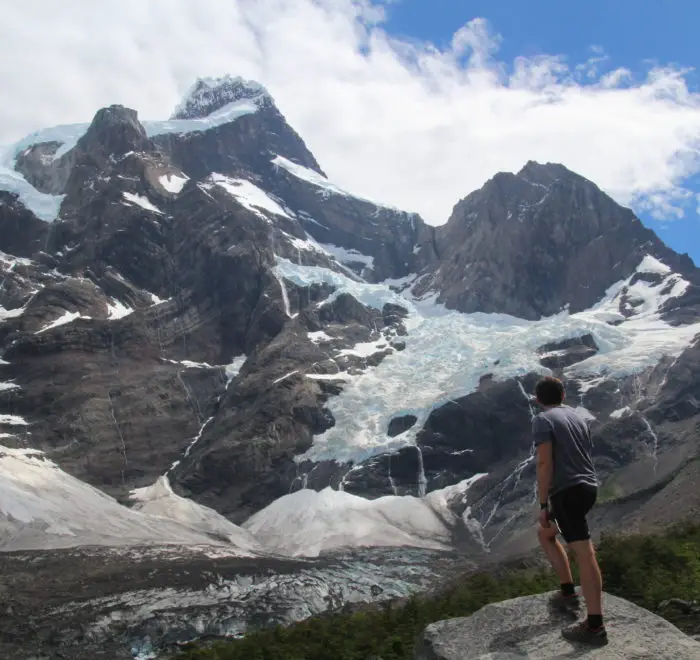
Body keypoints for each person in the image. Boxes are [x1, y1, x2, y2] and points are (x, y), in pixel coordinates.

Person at [532, 376, 608, 646]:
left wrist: (543, 504)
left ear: (538, 399)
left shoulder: (543, 420)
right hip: (587, 488)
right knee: (546, 533)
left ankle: (595, 625)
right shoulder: (578, 418)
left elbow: (544, 462)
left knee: (585, 554)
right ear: (563, 395)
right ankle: (567, 591)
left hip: (567, 492)